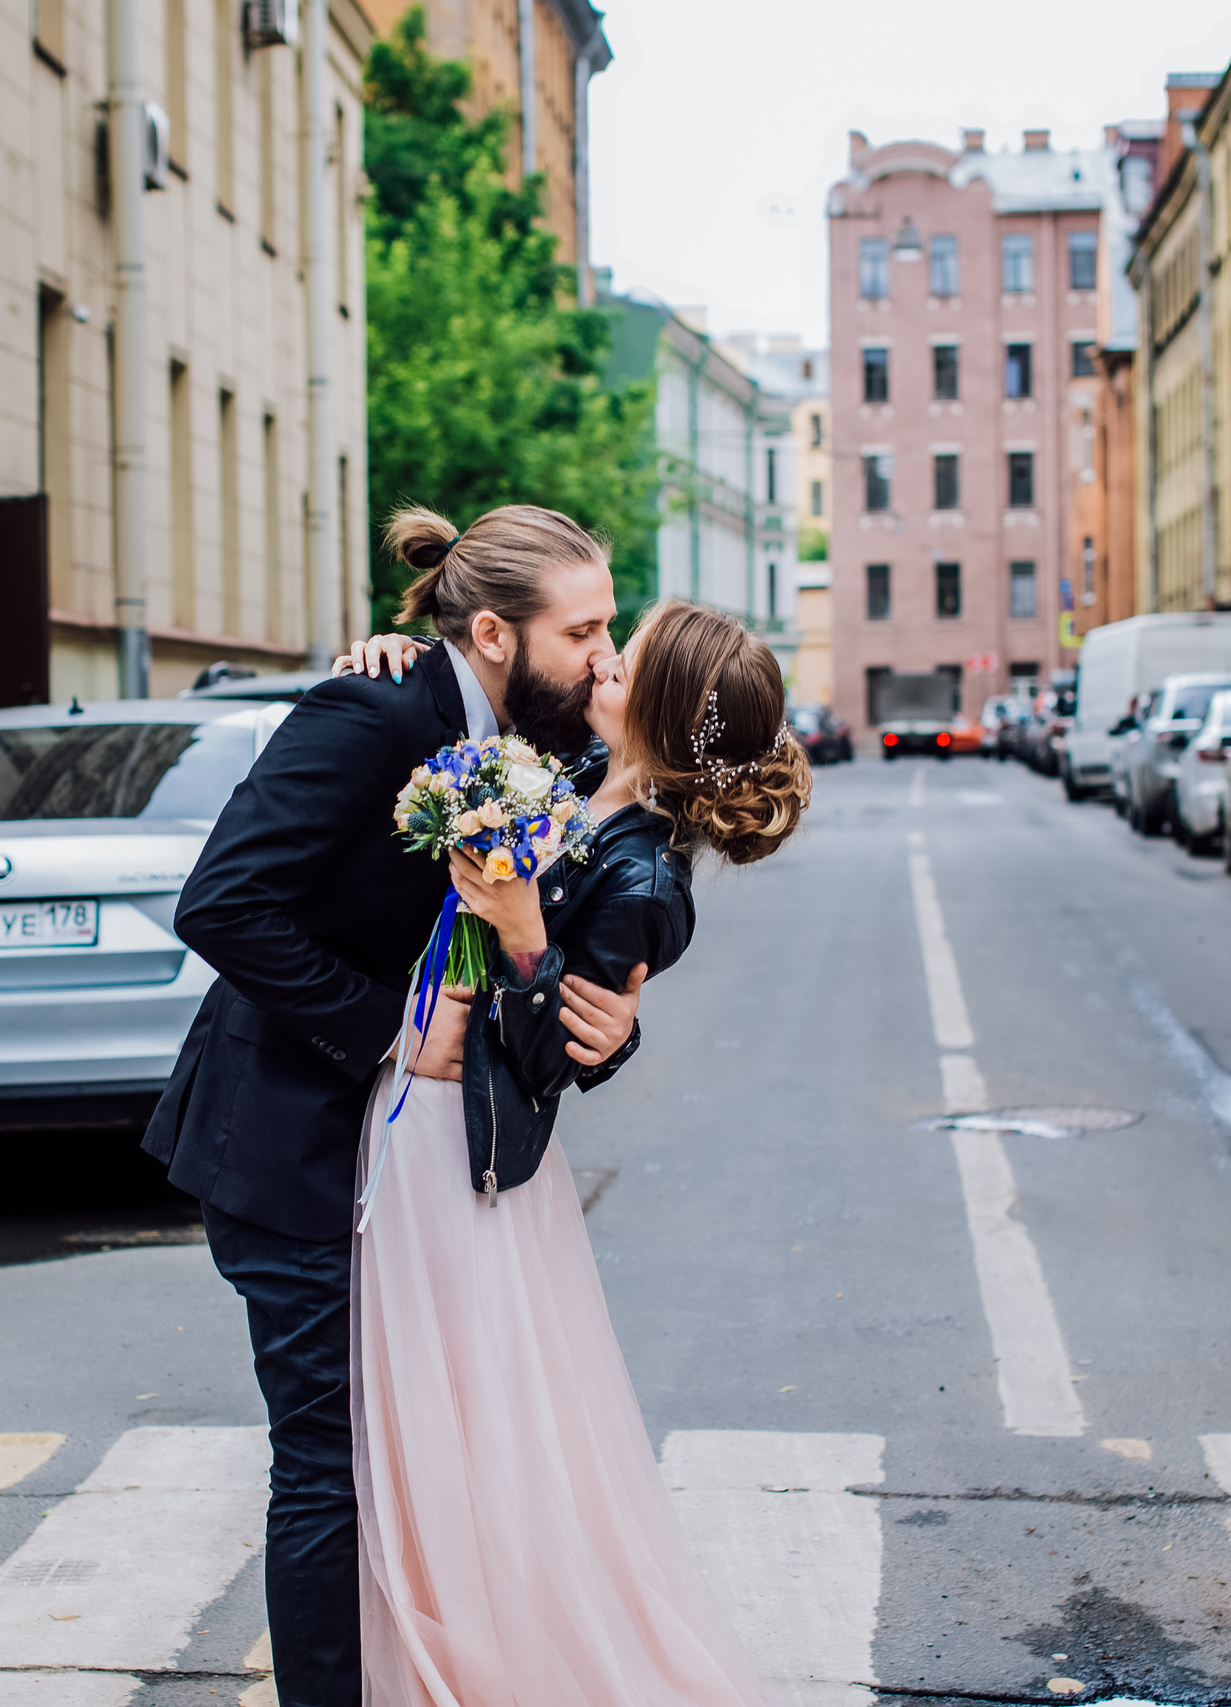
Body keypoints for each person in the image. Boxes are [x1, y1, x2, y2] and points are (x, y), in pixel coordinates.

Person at [143, 503, 652, 1707]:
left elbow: (575, 937)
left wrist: (613, 1022)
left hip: (429, 1171)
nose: (602, 653)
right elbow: (221, 905)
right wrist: (390, 1028)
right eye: (581, 629)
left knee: (426, 1457)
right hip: (291, 1142)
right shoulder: (366, 713)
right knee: (328, 1462)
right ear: (490, 632)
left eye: (608, 624)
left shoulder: (555, 748)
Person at [337, 578, 813, 1705]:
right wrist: (392, 653)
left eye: (625, 649)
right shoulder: (583, 780)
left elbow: (554, 1051)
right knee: (425, 1427)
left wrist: (521, 938)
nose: (602, 658)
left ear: (659, 701)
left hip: (472, 1162)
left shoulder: (646, 875)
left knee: (471, 1433)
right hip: (425, 1125)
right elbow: (477, 676)